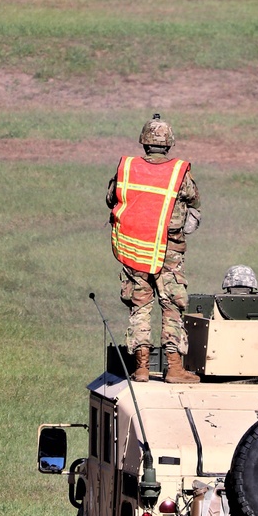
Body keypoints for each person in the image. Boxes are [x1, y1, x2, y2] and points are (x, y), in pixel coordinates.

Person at [106, 115, 201, 384]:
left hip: (135, 248)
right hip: (168, 251)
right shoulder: (178, 172)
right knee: (171, 305)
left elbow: (111, 198)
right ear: (169, 143)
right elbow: (194, 198)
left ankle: (142, 368)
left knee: (140, 307)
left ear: (144, 142)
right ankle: (173, 368)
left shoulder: (127, 168)